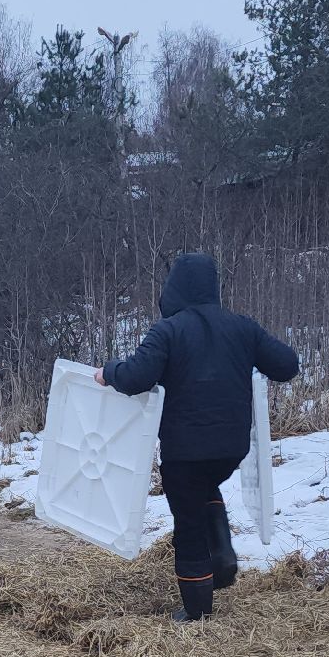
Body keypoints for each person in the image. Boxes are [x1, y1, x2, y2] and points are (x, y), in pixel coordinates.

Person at [98, 252, 300, 622]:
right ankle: (222, 558)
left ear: (173, 289)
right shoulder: (243, 327)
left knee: (188, 520)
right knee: (206, 487)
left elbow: (134, 377)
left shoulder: (168, 330)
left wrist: (108, 372)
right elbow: (287, 365)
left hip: (184, 451)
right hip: (231, 447)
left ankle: (197, 609)